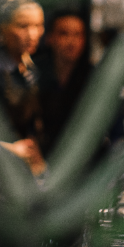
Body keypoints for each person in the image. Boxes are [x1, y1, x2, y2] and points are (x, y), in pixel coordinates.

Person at [0, 0, 47, 175]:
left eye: (38, 26)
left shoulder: (30, 68)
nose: (32, 34)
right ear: (3, 28)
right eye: (23, 26)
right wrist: (11, 149)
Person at [36, 10, 94, 153]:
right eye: (64, 34)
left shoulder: (95, 77)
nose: (71, 41)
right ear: (49, 38)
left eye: (78, 35)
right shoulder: (35, 75)